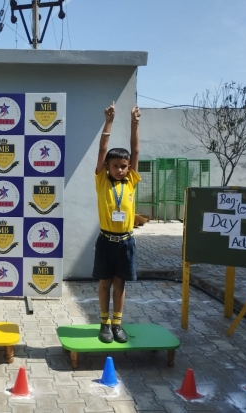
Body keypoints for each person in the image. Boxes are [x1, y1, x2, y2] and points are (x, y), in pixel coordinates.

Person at [93, 101, 141, 343]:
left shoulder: (131, 181)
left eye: (123, 167)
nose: (120, 170)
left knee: (120, 284)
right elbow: (103, 150)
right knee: (105, 283)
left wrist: (134, 124)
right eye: (115, 166)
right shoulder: (102, 181)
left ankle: (117, 324)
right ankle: (104, 323)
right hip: (106, 241)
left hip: (126, 242)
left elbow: (136, 151)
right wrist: (109, 122)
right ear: (107, 168)